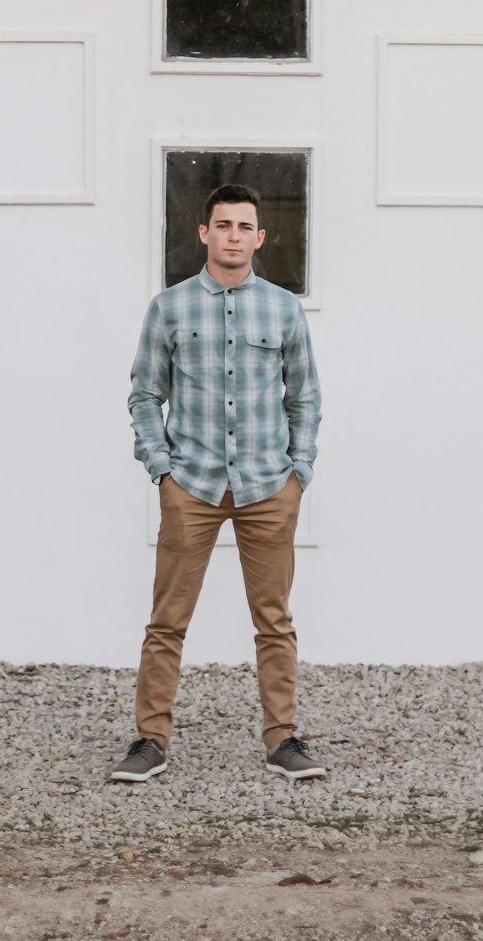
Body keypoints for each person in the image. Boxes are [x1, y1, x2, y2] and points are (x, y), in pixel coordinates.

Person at [110, 183, 324, 783]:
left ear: (259, 236)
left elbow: (304, 396)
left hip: (266, 486)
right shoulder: (169, 308)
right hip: (193, 488)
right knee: (167, 621)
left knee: (274, 620)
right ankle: (150, 740)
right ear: (204, 234)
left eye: (243, 226)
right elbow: (145, 394)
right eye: (222, 225)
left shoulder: (283, 309)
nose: (233, 235)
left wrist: (297, 474)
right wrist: (162, 469)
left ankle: (282, 739)